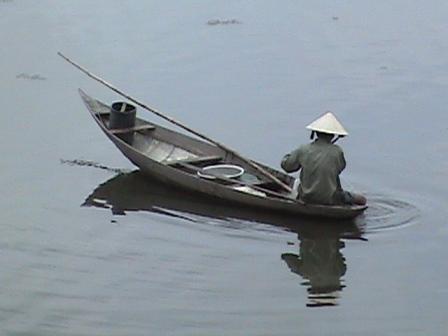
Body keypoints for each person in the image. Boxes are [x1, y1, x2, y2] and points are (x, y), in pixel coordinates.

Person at [281, 112, 366, 205]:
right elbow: (340, 168)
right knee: (362, 200)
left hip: (306, 198)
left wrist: (291, 157)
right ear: (333, 135)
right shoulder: (337, 151)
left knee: (296, 185)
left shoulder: (303, 149)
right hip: (331, 199)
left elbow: (287, 166)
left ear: (316, 133)